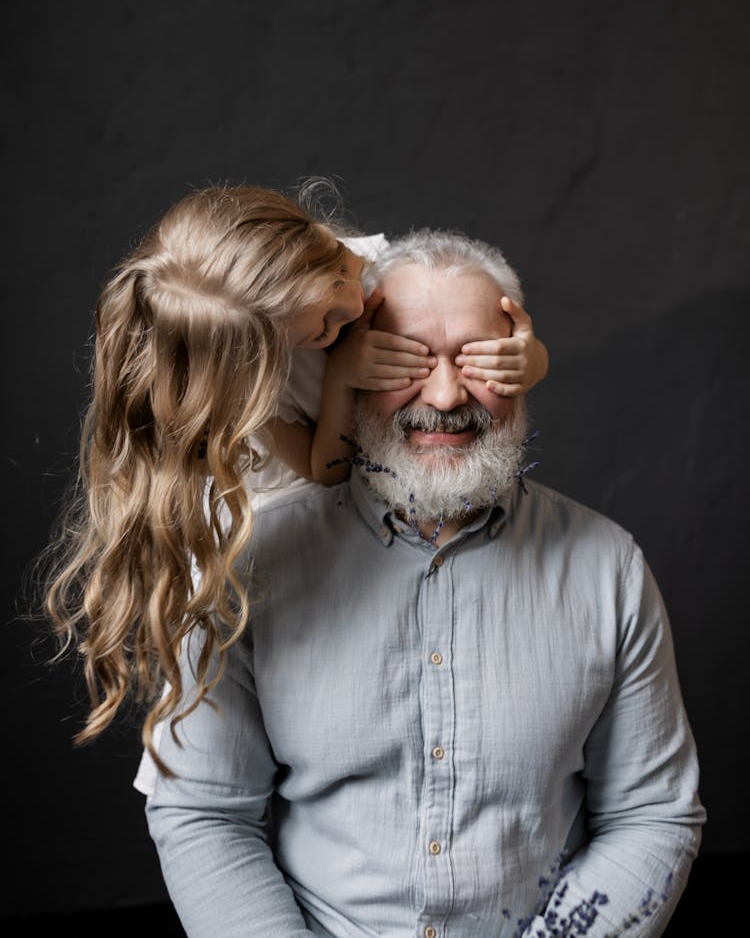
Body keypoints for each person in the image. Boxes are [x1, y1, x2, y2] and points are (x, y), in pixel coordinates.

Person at [143, 229, 704, 937]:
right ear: (340, 365)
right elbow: (204, 814)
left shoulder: (609, 569)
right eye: (403, 360)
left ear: (524, 366)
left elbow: (653, 815)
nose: (443, 396)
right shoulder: (250, 568)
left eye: (480, 360)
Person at [42, 184, 548, 776]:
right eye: (310, 338)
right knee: (243, 659)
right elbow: (323, 471)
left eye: (330, 314)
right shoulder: (260, 362)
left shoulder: (375, 267)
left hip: (386, 496)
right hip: (291, 495)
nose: (335, 329)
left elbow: (487, 351)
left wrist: (530, 359)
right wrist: (341, 376)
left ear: (321, 254)